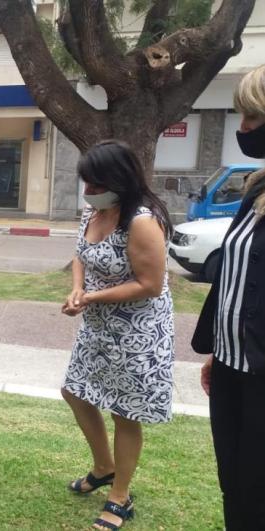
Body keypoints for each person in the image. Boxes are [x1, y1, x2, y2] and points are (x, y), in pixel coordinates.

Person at [60, 140, 174, 530]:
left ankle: (120, 496)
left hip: (137, 330)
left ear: (119, 180)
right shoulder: (93, 211)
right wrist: (78, 289)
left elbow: (150, 284)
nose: (88, 192)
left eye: (95, 184)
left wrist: (90, 296)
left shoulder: (142, 220)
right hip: (98, 324)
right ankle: (104, 466)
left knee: (125, 411)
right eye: (86, 184)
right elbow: (80, 254)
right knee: (74, 391)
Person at [193, 65, 265, 530]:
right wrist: (220, 348)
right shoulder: (255, 188)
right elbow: (235, 275)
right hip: (232, 369)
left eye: (252, 117)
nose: (242, 129)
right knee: (234, 483)